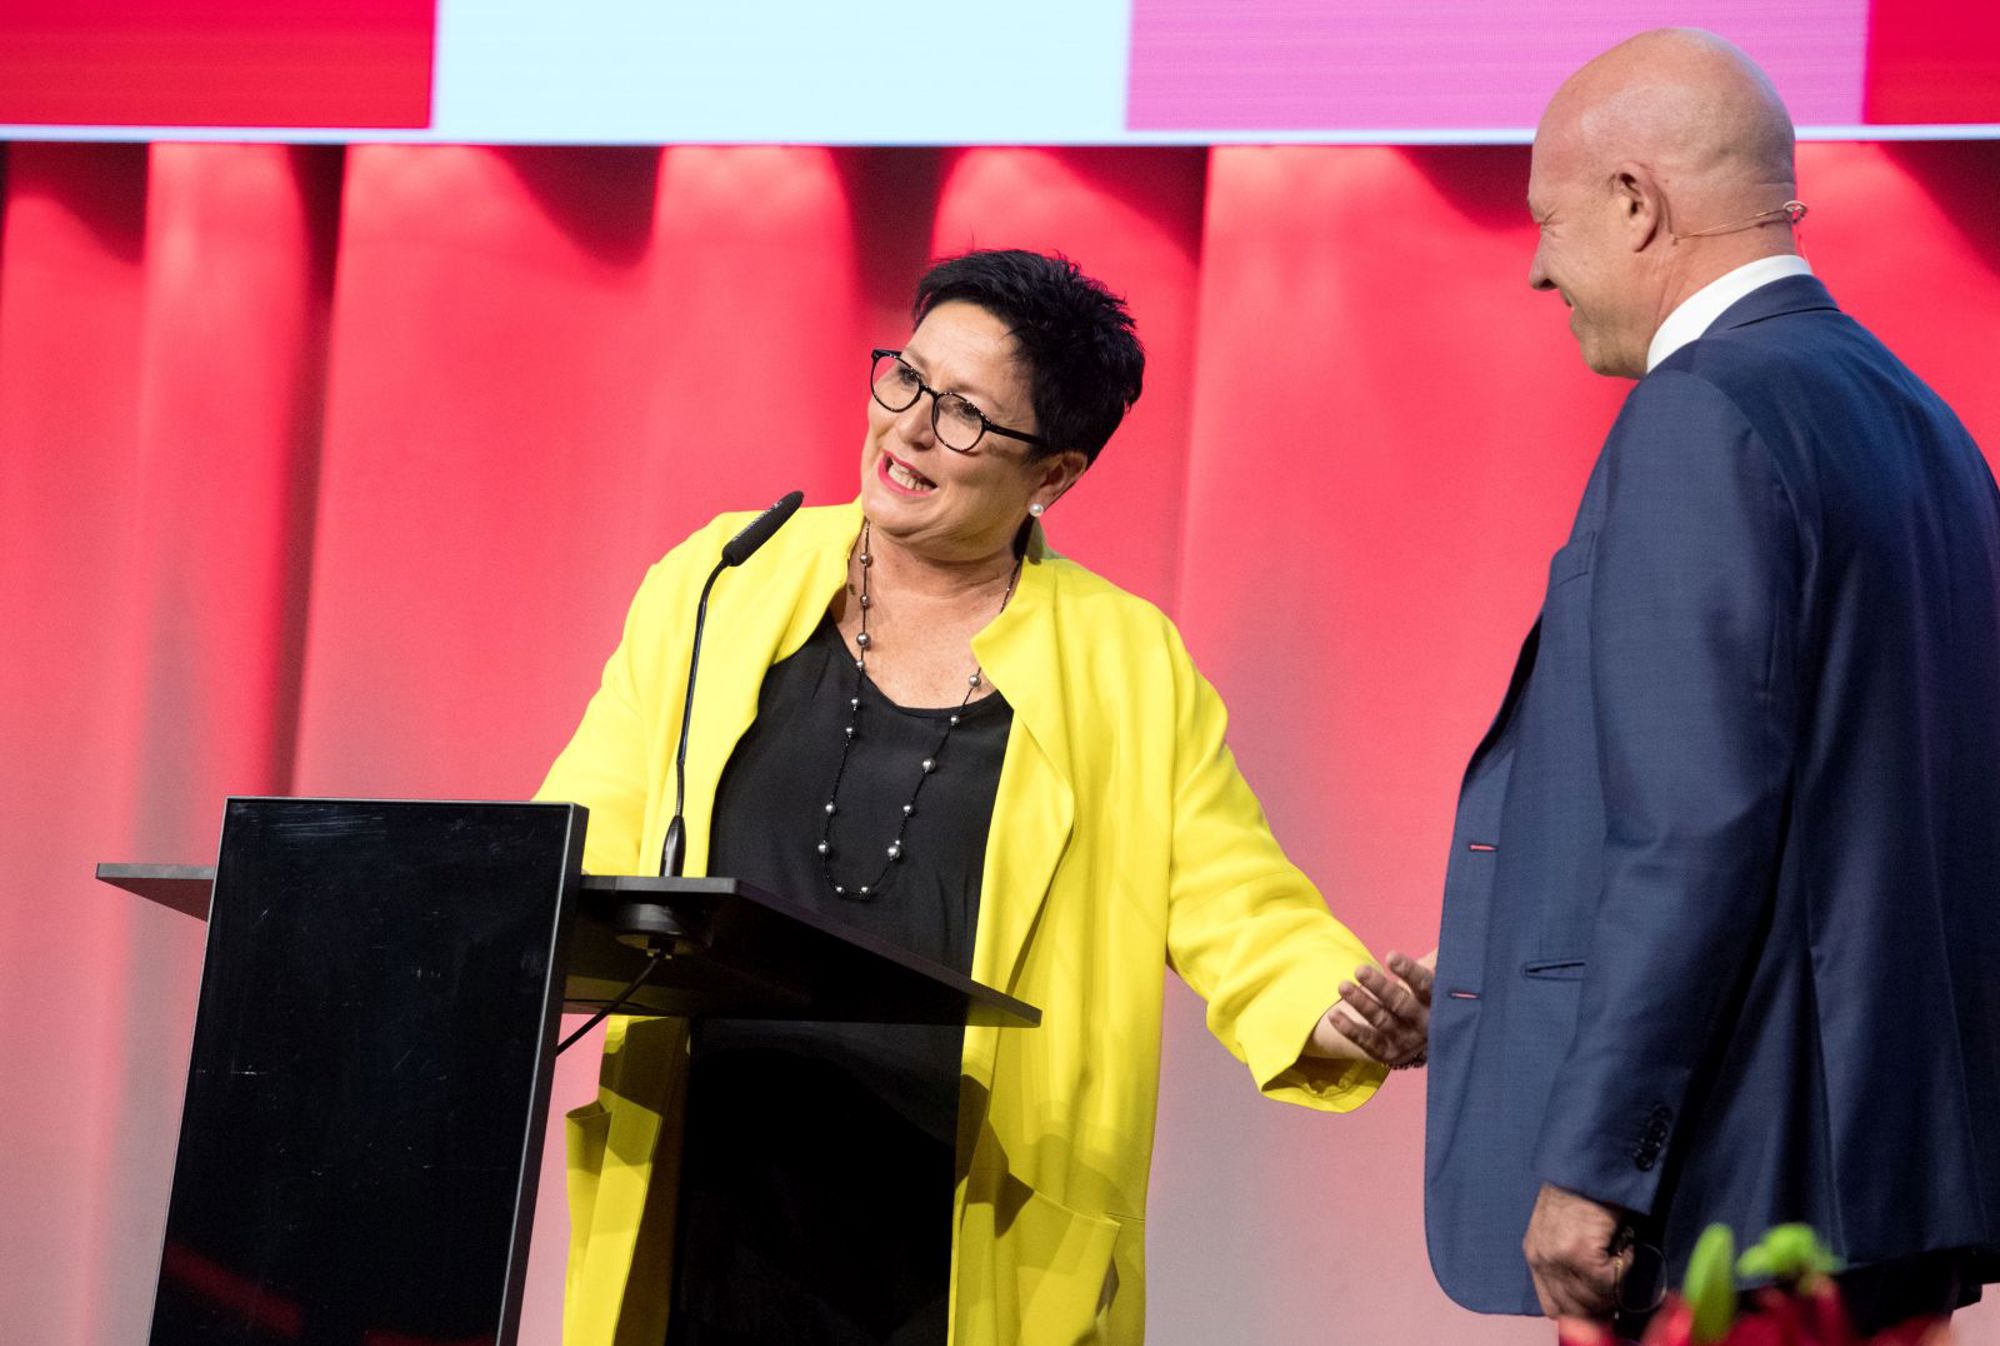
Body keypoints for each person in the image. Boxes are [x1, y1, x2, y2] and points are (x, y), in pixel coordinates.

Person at [539, 249, 1432, 1346]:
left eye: (962, 414)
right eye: (905, 378)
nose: (908, 428)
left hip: (966, 1239)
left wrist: (1338, 1007)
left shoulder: (1124, 663)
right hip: (707, 1201)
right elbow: (584, 819)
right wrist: (483, 917)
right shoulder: (724, 576)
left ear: (1052, 473)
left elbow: (1239, 903)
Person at [1423, 27, 2000, 1338]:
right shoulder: (1924, 423)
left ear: (1636, 202)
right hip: (1890, 1192)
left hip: (1735, 1197)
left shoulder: (1700, 412)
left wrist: (1596, 1157)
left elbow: (1693, 827)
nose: (1536, 267)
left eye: (1548, 220)